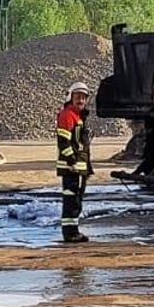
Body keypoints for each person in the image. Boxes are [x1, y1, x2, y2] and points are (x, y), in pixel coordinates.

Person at [55, 81, 94, 243]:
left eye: (83, 98)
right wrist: (71, 161)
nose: (81, 101)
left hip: (79, 168)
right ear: (70, 98)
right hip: (71, 168)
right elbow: (63, 142)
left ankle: (74, 230)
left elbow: (82, 147)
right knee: (71, 200)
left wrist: (87, 169)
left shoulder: (79, 117)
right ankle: (70, 233)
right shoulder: (68, 115)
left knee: (76, 201)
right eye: (77, 97)